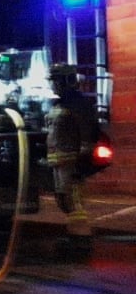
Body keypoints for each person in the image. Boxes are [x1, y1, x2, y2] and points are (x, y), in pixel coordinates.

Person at [45, 64, 99, 251]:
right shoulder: (60, 103)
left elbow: (87, 138)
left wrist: (80, 166)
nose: (53, 85)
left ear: (66, 81)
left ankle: (81, 238)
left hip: (72, 163)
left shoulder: (79, 105)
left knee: (75, 202)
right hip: (59, 163)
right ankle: (74, 234)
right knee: (64, 200)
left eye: (55, 81)